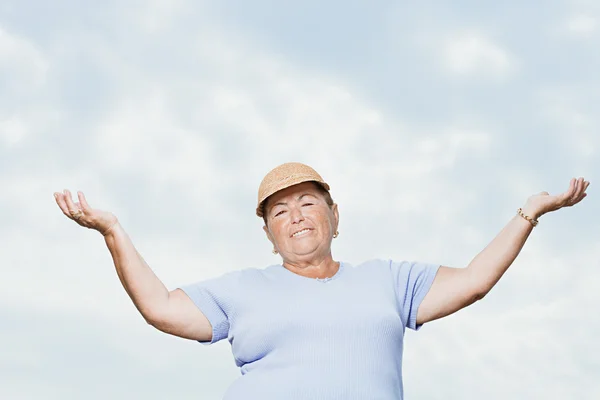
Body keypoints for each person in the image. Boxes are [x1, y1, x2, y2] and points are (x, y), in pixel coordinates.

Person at [53, 162, 590, 399]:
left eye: (309, 202)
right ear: (268, 233)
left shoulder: (389, 280)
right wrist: (112, 231)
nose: (297, 216)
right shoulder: (243, 289)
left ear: (335, 215)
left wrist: (528, 214)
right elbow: (161, 308)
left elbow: (473, 279)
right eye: (280, 211)